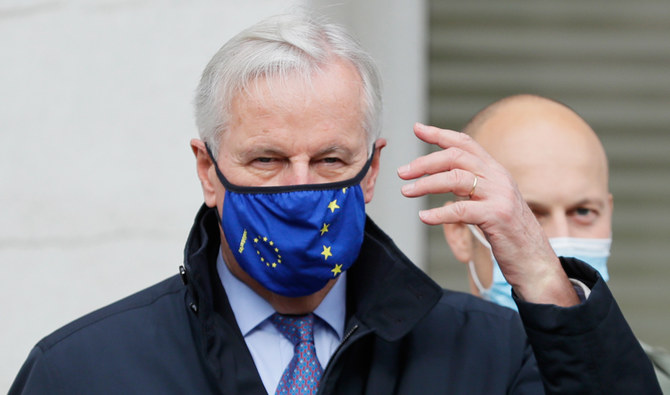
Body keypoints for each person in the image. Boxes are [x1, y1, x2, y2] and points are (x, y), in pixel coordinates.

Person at [10, 13, 661, 395]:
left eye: (329, 161)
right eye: (266, 161)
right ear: (208, 170)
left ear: (372, 168)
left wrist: (539, 268)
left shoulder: (488, 356)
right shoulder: (83, 372)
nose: (300, 189)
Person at [442, 93, 670, 392]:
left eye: (583, 211)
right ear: (460, 231)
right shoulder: (414, 376)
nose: (559, 240)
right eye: (526, 213)